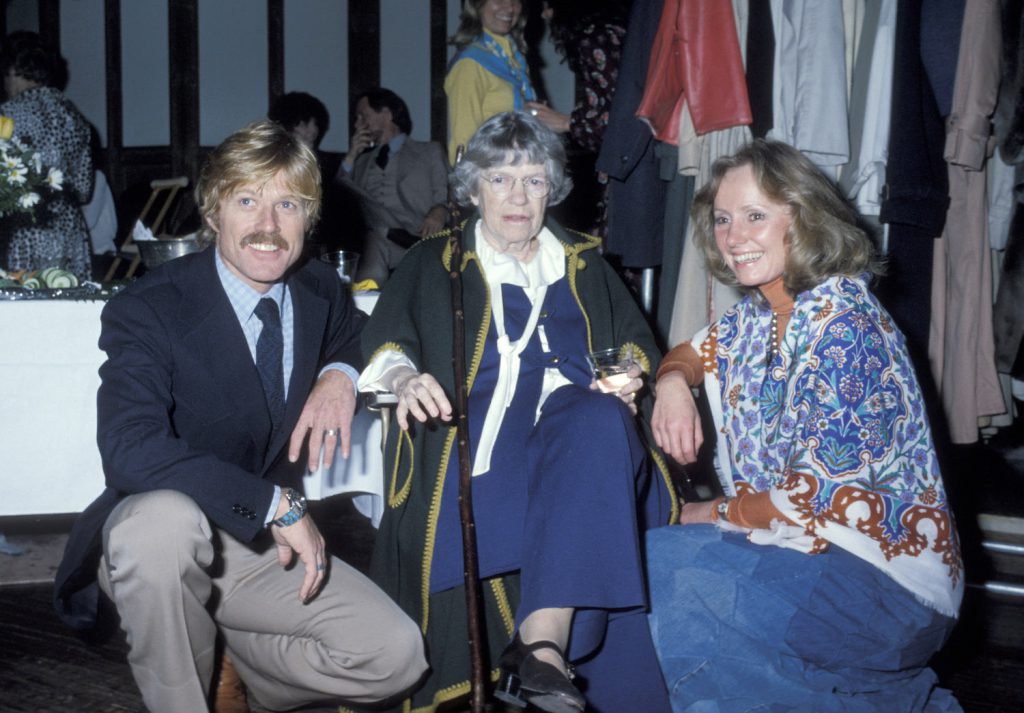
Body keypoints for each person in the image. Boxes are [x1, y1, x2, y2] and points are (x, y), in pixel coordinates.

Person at [52, 120, 427, 713]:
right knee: (162, 527)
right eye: (248, 200)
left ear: (310, 219)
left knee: (396, 655)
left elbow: (363, 333)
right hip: (167, 541)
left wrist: (341, 375)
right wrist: (276, 503)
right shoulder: (149, 307)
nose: (268, 226)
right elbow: (128, 447)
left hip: (254, 553)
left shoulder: (320, 289)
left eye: (289, 205)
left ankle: (252, 672)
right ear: (213, 211)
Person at [358, 111, 678, 713]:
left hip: (583, 442)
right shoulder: (435, 263)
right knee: (530, 480)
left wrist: (633, 377)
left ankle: (543, 648)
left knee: (597, 421)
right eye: (501, 179)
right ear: (473, 187)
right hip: (473, 444)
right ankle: (542, 655)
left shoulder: (584, 262)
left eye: (534, 181)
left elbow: (639, 345)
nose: (518, 196)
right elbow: (386, 343)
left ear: (551, 189)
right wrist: (403, 377)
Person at [646, 139, 964, 711]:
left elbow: (808, 495)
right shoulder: (758, 316)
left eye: (755, 215)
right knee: (675, 562)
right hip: (821, 559)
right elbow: (691, 353)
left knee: (675, 570)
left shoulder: (845, 322)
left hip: (892, 585)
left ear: (804, 217)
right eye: (723, 218)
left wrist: (710, 511)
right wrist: (671, 384)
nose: (734, 235)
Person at [525, 0, 631, 238]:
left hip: (625, 168)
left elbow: (618, 122)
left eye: (549, 5)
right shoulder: (612, 30)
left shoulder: (595, 38)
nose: (545, 14)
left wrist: (566, 122)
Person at [0, 31, 93, 280]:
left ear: (13, 70)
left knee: (22, 309)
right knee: (66, 306)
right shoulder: (75, 118)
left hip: (22, 230)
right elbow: (84, 190)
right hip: (68, 230)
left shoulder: (7, 115)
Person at [335, 87, 449, 286]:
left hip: (420, 237)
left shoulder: (429, 151)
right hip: (382, 242)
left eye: (363, 116)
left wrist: (440, 210)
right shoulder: (360, 162)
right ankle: (366, 300)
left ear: (386, 114)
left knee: (377, 233)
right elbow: (338, 197)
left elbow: (450, 194)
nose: (357, 124)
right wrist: (352, 154)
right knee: (376, 235)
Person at [445, 0, 536, 164]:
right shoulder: (470, 64)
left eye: (515, 1)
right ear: (477, 5)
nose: (509, 8)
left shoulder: (515, 60)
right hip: (492, 174)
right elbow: (463, 137)